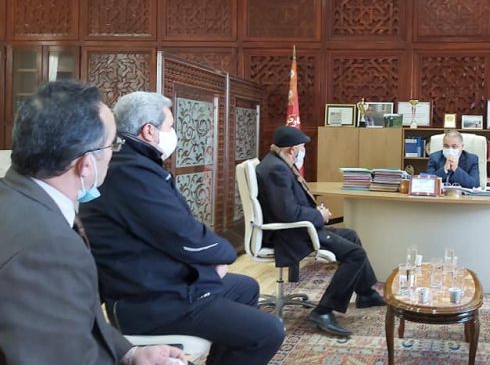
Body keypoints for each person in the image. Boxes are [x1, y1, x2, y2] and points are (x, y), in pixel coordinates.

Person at [79, 92, 285, 365]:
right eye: (170, 126)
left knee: (245, 288)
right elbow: (183, 235)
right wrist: (221, 255)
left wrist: (208, 263)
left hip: (161, 279)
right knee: (268, 332)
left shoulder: (135, 164)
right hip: (149, 299)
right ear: (149, 131)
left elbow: (173, 231)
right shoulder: (130, 173)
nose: (174, 133)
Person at [0, 81, 185, 365]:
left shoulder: (22, 198)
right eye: (113, 145)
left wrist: (130, 353)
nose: (114, 153)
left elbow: (73, 317)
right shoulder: (46, 248)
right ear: (85, 164)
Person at [255, 126, 386, 337]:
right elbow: (287, 213)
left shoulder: (276, 162)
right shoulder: (276, 170)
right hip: (291, 235)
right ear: (291, 150)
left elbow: (288, 206)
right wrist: (319, 215)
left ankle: (365, 293)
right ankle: (323, 311)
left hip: (298, 228)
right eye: (302, 148)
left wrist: (315, 212)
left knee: (351, 235)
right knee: (356, 255)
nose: (303, 152)